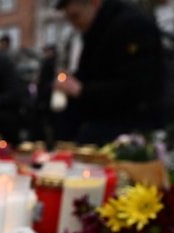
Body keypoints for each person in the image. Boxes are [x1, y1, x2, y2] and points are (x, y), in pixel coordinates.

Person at [52, 0, 165, 145]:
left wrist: (81, 90)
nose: (74, 24)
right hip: (104, 120)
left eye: (76, 16)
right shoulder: (96, 30)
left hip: (131, 126)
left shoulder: (131, 26)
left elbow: (138, 86)